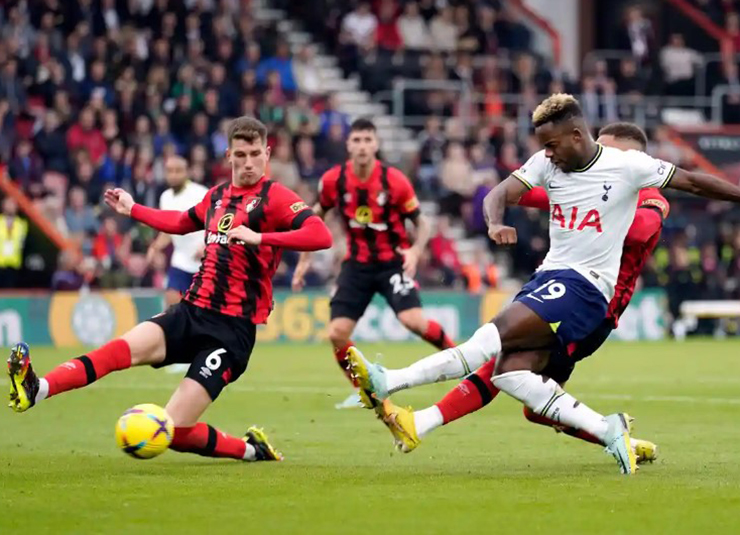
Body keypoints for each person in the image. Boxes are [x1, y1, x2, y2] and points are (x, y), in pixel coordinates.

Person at [348, 94, 740, 474]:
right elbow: (509, 192)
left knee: (491, 341)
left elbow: (645, 226)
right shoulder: (556, 166)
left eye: (605, 145)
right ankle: (609, 431)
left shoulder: (641, 184)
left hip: (592, 298)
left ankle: (390, 382)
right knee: (511, 377)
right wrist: (500, 215)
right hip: (551, 280)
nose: (594, 149)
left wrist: (608, 203)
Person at [7, 117, 333, 463]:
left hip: (230, 333)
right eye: (241, 154)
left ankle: (252, 450)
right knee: (119, 350)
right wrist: (133, 209)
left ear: (267, 154)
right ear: (229, 155)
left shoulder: (277, 198)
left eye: (255, 154)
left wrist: (261, 237)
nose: (249, 162)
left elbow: (320, 235)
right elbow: (180, 222)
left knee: (173, 432)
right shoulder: (218, 196)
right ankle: (37, 388)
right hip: (190, 312)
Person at [291, 118, 455, 391]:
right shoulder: (334, 180)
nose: (362, 146)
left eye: (368, 140)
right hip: (356, 266)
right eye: (357, 140)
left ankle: (459, 358)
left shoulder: (394, 180)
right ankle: (366, 390)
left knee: (413, 321)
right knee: (336, 333)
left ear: (376, 144)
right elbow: (314, 219)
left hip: (392, 263)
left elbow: (422, 223)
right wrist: (304, 261)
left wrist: (415, 251)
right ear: (348, 145)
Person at [146, 156, 208, 308]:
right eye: (170, 171)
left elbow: (218, 224)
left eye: (178, 171)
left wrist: (207, 246)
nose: (173, 175)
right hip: (180, 260)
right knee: (172, 307)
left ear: (187, 172)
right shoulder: (165, 197)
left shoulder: (201, 194)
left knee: (204, 313)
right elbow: (168, 230)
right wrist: (155, 247)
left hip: (205, 262)